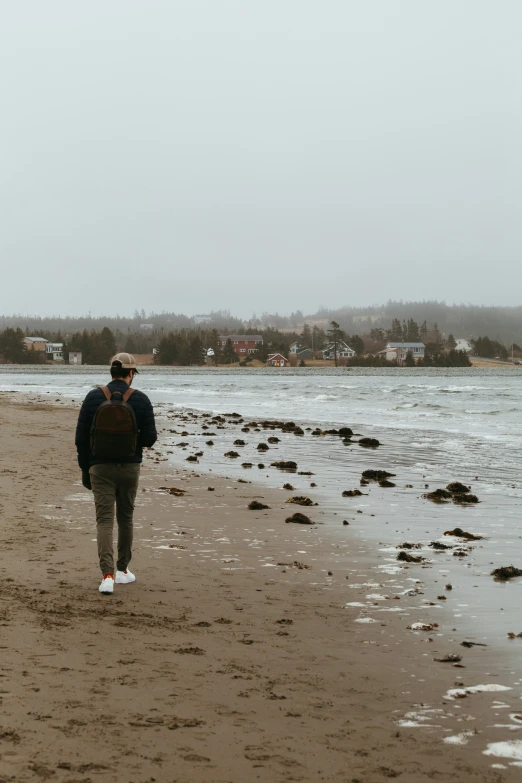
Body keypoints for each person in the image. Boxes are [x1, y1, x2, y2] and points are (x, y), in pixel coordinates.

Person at [75, 353, 157, 594]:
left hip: (99, 467)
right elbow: (150, 439)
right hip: (130, 467)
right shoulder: (141, 399)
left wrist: (85, 470)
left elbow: (80, 439)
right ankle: (122, 570)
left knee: (104, 520)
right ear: (131, 374)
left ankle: (107, 575)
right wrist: (133, 442)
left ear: (111, 372)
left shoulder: (93, 397)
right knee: (126, 518)